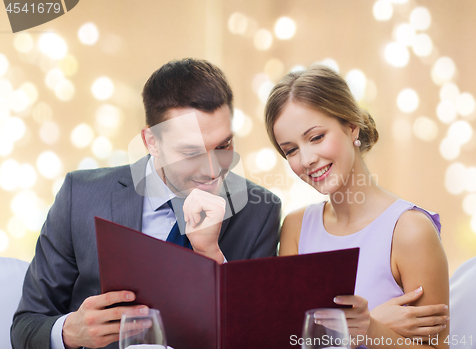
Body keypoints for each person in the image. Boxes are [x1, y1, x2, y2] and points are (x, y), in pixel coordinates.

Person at [11, 58, 281, 349]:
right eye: (191, 152)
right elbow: (26, 327)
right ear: (151, 142)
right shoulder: (80, 197)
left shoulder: (260, 211)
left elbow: (260, 338)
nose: (213, 171)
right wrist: (68, 332)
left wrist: (211, 254)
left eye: (223, 146)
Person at [265, 65, 449, 348]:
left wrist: (371, 329)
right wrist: (367, 325)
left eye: (316, 137)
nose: (307, 159)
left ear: (352, 126)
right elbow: (288, 341)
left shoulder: (410, 231)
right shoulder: (295, 228)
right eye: (291, 150)